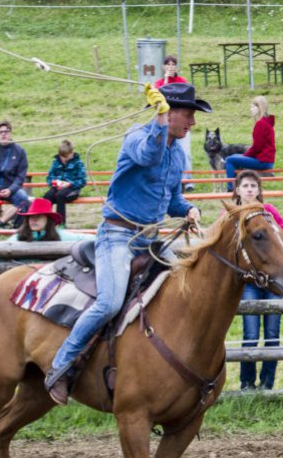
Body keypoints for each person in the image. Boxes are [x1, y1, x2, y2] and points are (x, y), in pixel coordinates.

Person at [45, 82, 209, 405]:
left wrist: (188, 208)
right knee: (108, 302)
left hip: (148, 239)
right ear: (169, 112)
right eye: (188, 115)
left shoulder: (177, 153)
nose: (192, 123)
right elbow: (150, 155)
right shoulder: (138, 137)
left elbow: (171, 197)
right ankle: (61, 366)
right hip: (117, 235)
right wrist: (159, 121)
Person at [232, 170, 283, 390]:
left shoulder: (269, 211)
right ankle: (246, 382)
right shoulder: (231, 214)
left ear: (259, 190)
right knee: (250, 333)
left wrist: (272, 229)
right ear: (237, 190)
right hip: (249, 282)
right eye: (245, 186)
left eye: (253, 186)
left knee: (272, 334)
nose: (250, 190)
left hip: (273, 281)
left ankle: (267, 382)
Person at [155, 56, 194, 191]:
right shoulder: (159, 83)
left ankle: (187, 181)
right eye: (168, 65)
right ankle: (166, 178)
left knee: (185, 152)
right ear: (164, 67)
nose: (171, 67)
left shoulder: (182, 82)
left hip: (180, 121)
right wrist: (166, 80)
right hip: (165, 122)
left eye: (173, 65)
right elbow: (159, 99)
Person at [225, 95, 275, 190]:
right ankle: (240, 185)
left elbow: (257, 147)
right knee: (235, 157)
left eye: (253, 107)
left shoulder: (260, 124)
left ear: (259, 108)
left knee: (230, 160)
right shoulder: (267, 123)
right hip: (267, 160)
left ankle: (230, 188)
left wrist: (246, 156)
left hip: (262, 161)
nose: (250, 109)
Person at [43, 139, 87, 225]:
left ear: (72, 154)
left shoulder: (78, 163)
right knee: (47, 196)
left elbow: (82, 181)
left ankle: (60, 224)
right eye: (61, 157)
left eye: (66, 157)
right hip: (57, 186)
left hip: (72, 188)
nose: (63, 159)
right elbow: (49, 177)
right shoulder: (56, 162)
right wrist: (55, 182)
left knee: (60, 196)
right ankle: (46, 223)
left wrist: (69, 184)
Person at [10, 198, 91, 243]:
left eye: (38, 216)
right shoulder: (17, 238)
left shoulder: (62, 236)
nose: (33, 220)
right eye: (31, 217)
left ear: (48, 220)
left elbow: (88, 239)